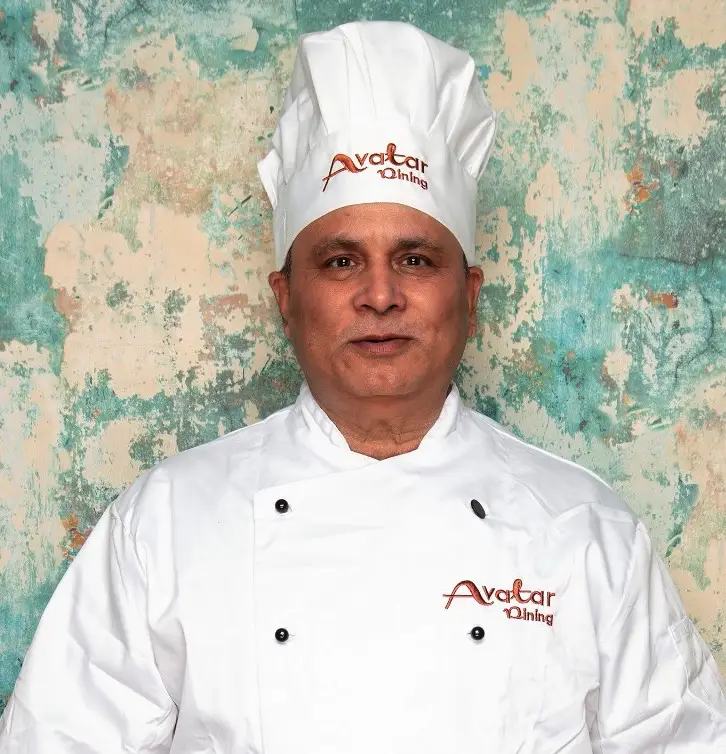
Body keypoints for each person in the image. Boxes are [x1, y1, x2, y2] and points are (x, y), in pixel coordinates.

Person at [1, 19, 725, 754]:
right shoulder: (166, 523)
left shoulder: (585, 531)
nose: (380, 296)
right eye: (341, 261)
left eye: (415, 260)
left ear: (469, 294)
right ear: (287, 297)